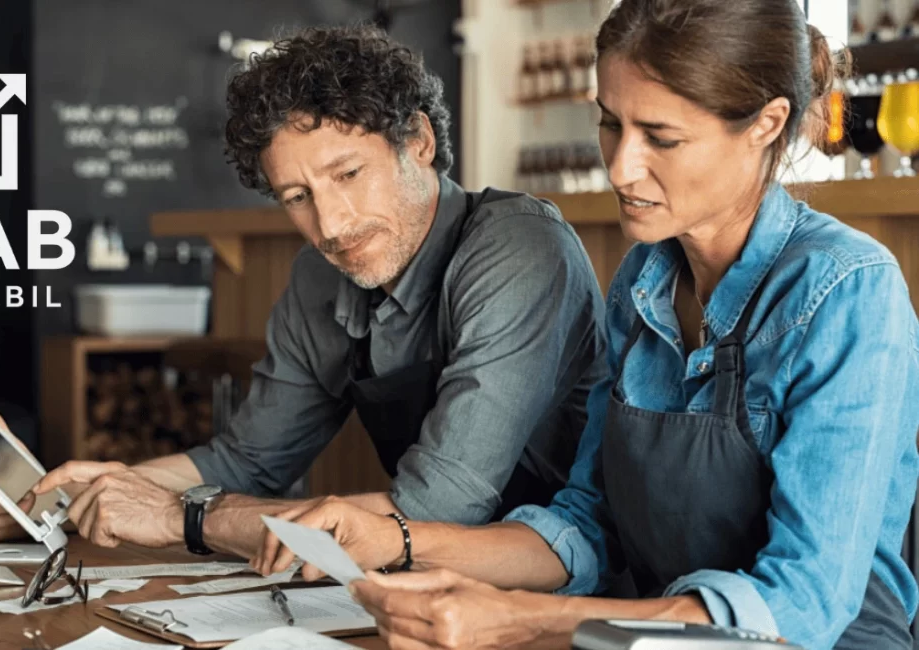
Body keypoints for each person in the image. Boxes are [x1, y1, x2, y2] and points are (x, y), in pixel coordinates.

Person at [252, 2, 919, 649]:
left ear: (766, 125)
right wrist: (395, 538)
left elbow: (803, 603)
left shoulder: (846, 290)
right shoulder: (642, 281)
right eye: (610, 123)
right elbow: (588, 525)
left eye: (661, 138)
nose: (620, 167)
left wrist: (526, 620)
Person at [0, 25, 607, 559]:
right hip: (431, 586)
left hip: (572, 586)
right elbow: (247, 460)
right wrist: (67, 497)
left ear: (418, 142)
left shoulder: (519, 249)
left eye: (348, 174)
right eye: (297, 197)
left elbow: (437, 508)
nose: (331, 225)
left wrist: (185, 519)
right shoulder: (320, 277)